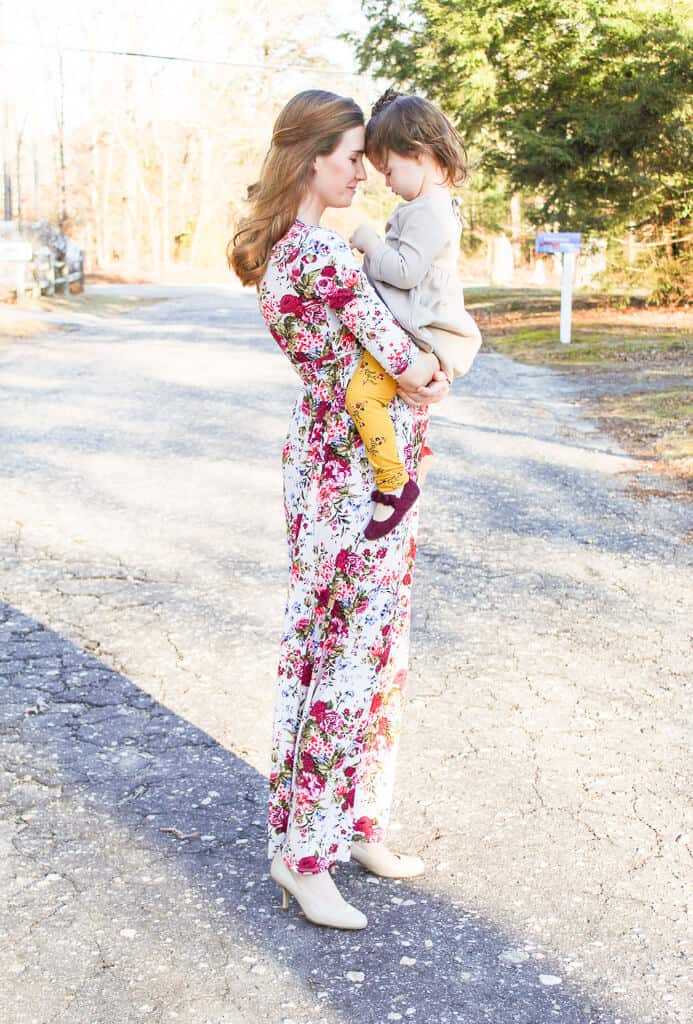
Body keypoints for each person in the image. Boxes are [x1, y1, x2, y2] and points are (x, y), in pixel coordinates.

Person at [228, 89, 449, 931]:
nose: (365, 170)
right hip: (349, 473)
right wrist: (434, 372)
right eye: (353, 154)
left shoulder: (298, 248)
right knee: (345, 652)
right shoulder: (317, 254)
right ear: (311, 157)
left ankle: (356, 824)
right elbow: (401, 358)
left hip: (348, 459)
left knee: (373, 647)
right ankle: (303, 853)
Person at [347, 90, 482, 540]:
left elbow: (404, 273)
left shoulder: (430, 210)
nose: (385, 182)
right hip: (414, 327)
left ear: (420, 155)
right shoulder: (427, 205)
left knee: (363, 398)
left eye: (389, 170)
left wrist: (369, 242)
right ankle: (415, 456)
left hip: (417, 329)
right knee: (387, 401)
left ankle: (394, 484)